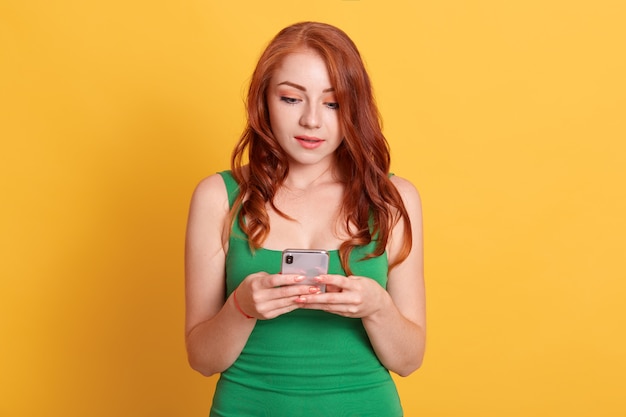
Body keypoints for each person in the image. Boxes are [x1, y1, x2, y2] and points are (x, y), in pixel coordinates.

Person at [185, 21, 426, 417]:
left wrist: (377, 307)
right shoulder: (217, 196)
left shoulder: (394, 199)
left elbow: (409, 361)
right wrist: (242, 306)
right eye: (291, 99)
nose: (312, 120)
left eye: (333, 103)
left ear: (355, 107)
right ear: (264, 100)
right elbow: (202, 360)